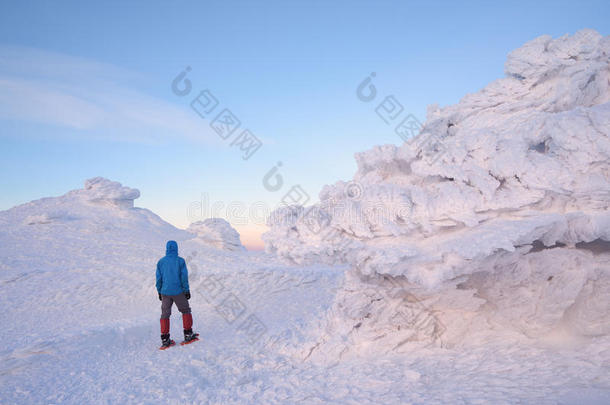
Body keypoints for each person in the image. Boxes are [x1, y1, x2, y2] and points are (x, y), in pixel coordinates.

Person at [156, 240, 198, 348]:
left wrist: (159, 291)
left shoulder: (161, 262)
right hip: (178, 292)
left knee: (165, 314)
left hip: (165, 292)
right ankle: (188, 334)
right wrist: (186, 290)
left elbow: (158, 278)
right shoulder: (180, 261)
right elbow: (183, 277)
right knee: (185, 310)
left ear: (166, 248)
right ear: (176, 248)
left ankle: (165, 339)